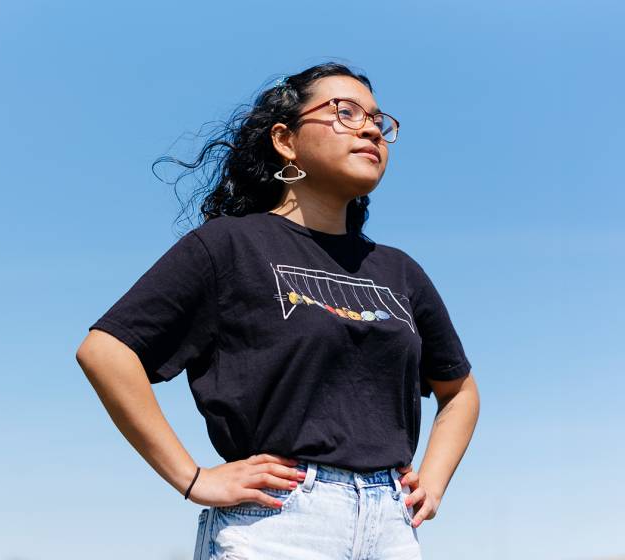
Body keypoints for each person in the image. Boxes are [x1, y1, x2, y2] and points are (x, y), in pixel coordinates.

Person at [75, 60, 480, 560]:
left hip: (391, 528)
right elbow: (105, 350)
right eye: (345, 112)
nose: (371, 128)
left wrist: (432, 484)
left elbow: (458, 390)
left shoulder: (399, 271)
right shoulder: (228, 246)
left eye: (378, 121)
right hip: (278, 524)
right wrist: (192, 477)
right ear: (285, 141)